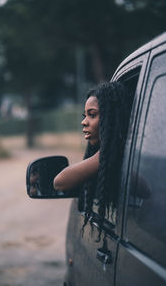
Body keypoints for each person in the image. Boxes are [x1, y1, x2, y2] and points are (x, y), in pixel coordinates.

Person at [54, 81, 131, 231]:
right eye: (85, 115)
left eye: (92, 115)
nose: (84, 122)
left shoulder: (113, 155)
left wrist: (105, 153)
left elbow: (60, 182)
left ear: (111, 118)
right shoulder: (123, 154)